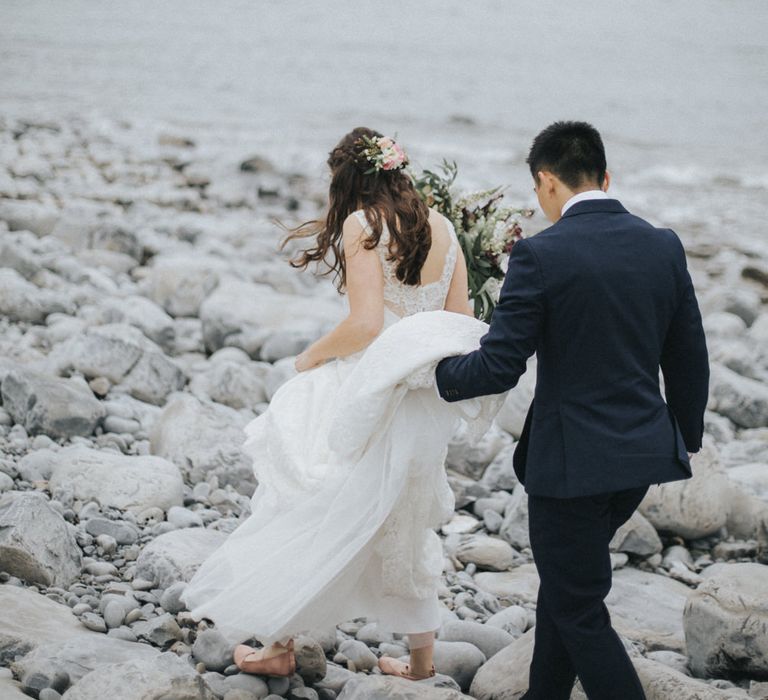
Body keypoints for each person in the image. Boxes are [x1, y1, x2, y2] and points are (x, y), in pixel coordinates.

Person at [180, 127, 504, 681]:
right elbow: (461, 325)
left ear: (349, 179)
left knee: (318, 500)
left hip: (373, 385)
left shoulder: (363, 225)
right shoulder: (444, 228)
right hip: (425, 398)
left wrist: (310, 357)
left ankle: (278, 642)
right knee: (406, 521)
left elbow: (364, 325)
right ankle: (422, 664)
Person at [435, 121, 709, 700]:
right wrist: (685, 434)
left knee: (578, 607)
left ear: (546, 181)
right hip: (640, 458)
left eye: (538, 191)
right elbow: (689, 355)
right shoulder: (663, 245)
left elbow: (497, 367)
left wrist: (431, 374)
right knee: (566, 589)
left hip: (571, 469)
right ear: (606, 177)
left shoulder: (540, 254)